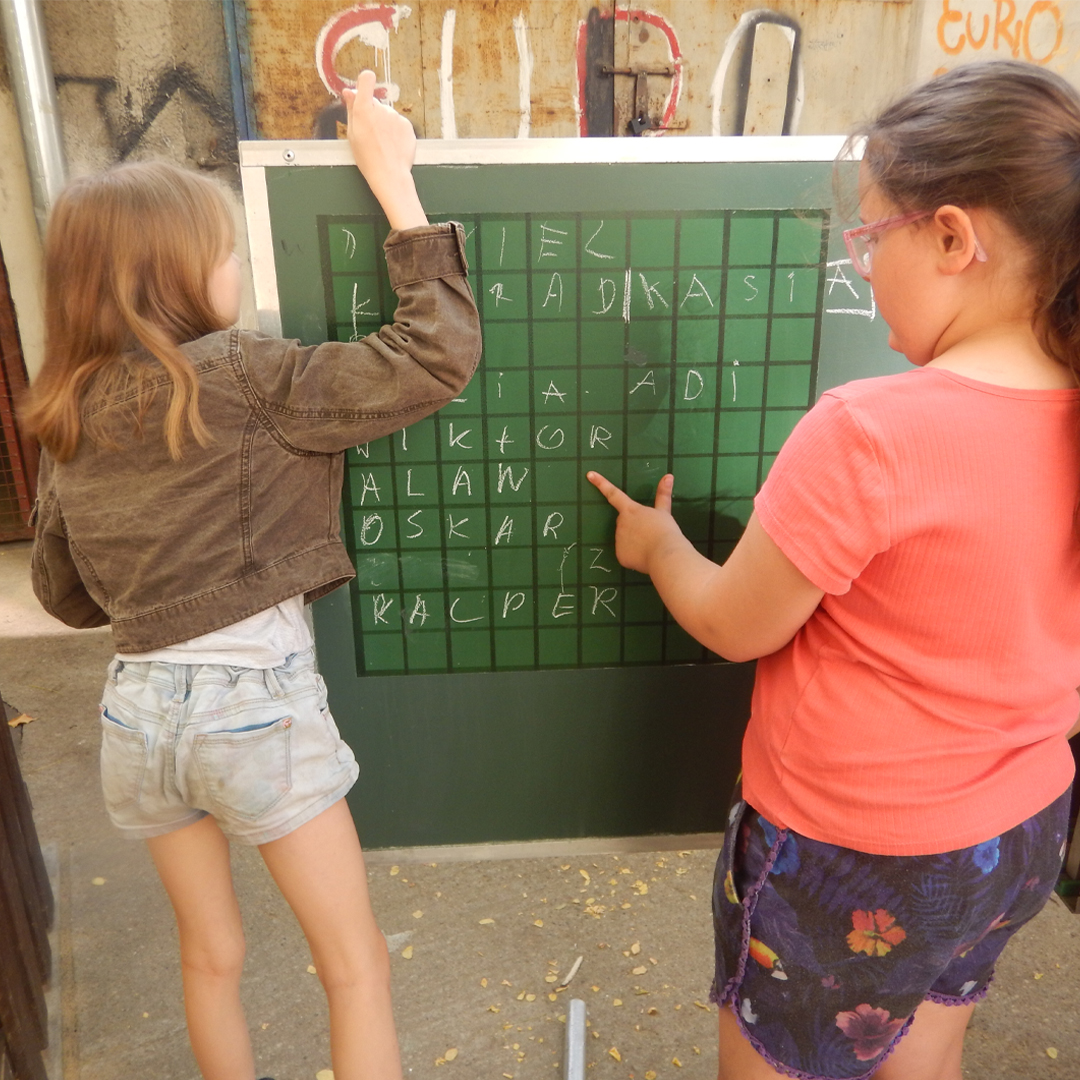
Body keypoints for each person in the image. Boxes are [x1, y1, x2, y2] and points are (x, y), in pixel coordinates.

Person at [588, 60, 1080, 1080]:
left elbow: (736, 622)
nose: (858, 266)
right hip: (1018, 833)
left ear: (953, 236)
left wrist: (661, 547)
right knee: (925, 1038)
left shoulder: (870, 430)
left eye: (869, 235)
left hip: (853, 855)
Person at [25, 71, 480, 1080]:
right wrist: (395, 182)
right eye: (227, 251)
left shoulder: (67, 417)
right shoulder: (249, 375)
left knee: (210, 956)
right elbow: (433, 356)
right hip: (255, 713)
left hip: (134, 722)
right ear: (183, 278)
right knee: (354, 966)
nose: (239, 265)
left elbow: (62, 596)